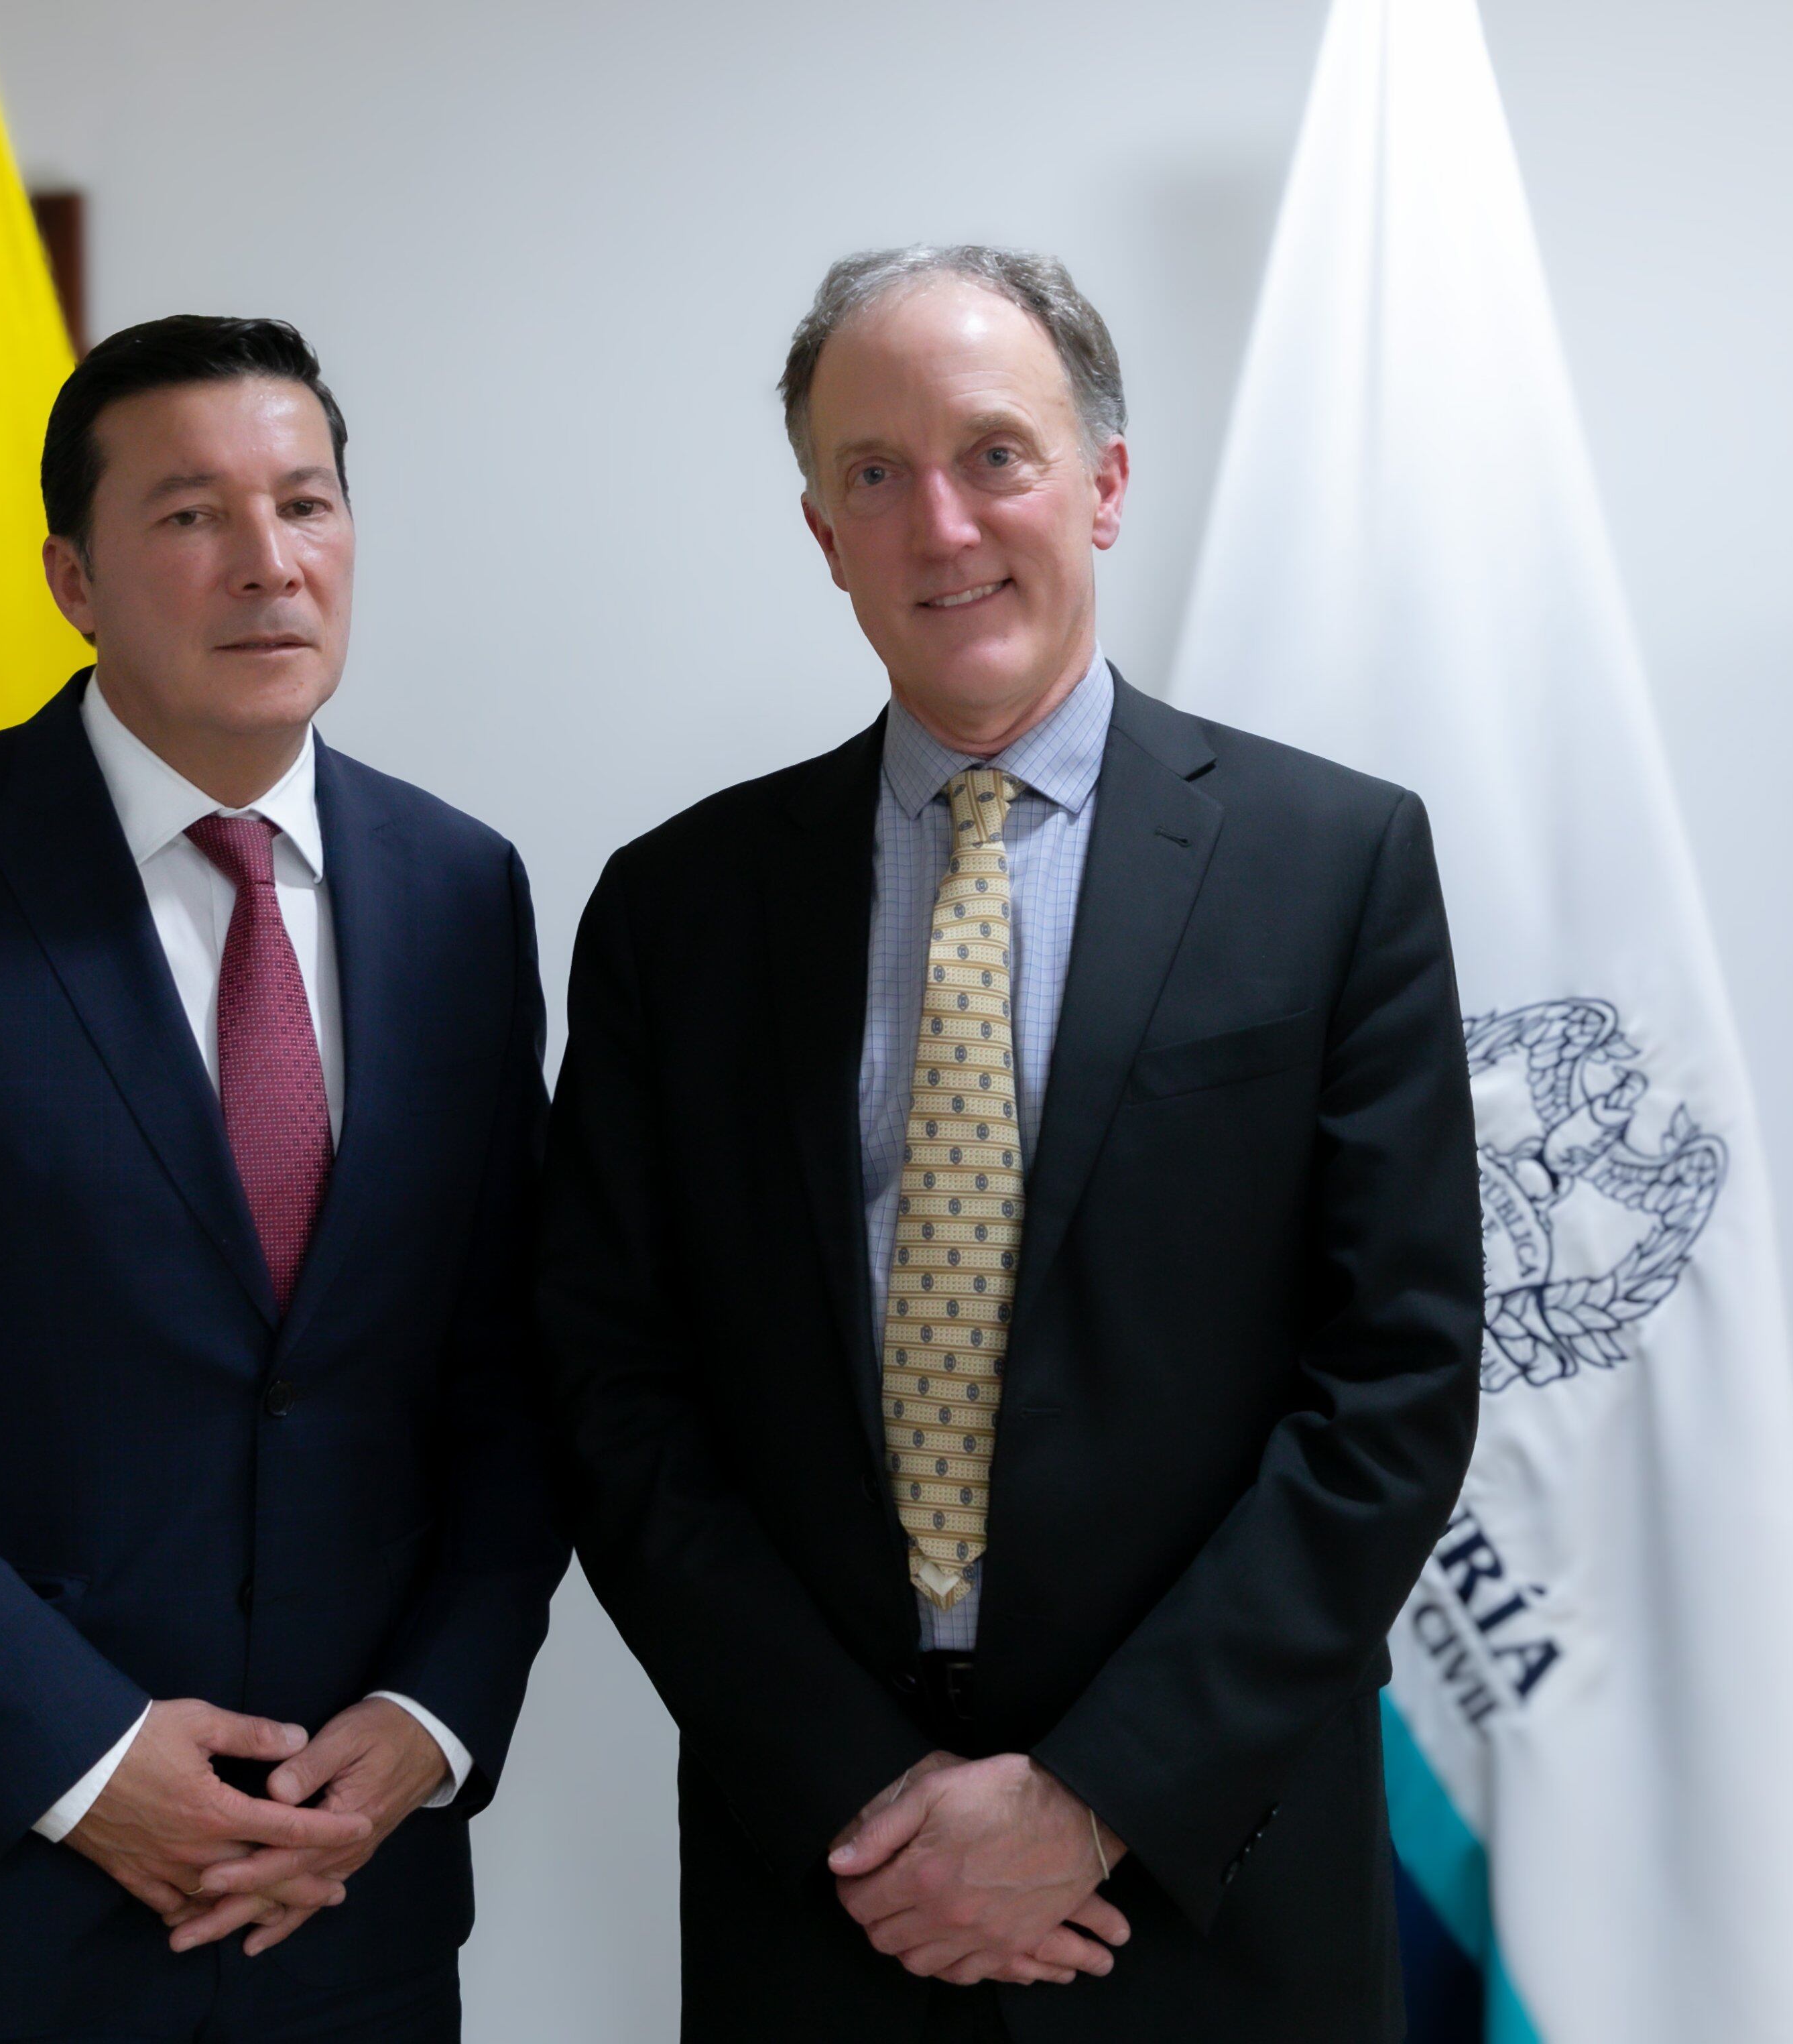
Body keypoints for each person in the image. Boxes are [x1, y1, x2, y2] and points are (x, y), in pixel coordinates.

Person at [540, 246, 1481, 2039]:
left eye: (996, 454)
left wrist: (1100, 1792)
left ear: (1104, 482)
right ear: (821, 532)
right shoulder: (680, 909)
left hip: (1209, 1878)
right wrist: (864, 1790)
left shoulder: (1333, 865)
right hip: (828, 1883)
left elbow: (1395, 1385)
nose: (942, 522)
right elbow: (613, 1390)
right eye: (874, 473)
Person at [0, 315, 564, 2044]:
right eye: (191, 515)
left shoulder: (463, 886)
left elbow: (514, 1362)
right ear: (73, 579)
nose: (268, 563)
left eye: (306, 503)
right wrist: (73, 1753)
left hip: (345, 1914)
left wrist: (434, 1717)